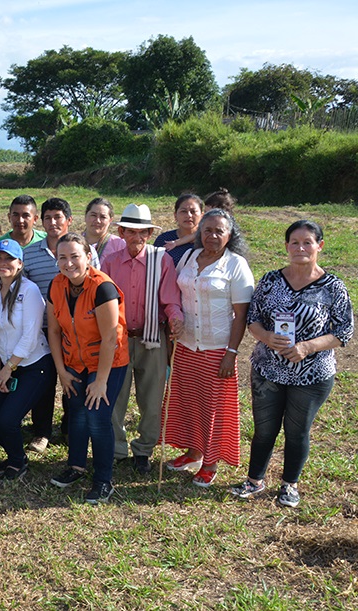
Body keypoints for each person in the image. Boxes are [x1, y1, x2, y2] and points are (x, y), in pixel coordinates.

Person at [232, 221, 353, 507]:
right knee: (264, 428)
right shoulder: (272, 280)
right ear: (286, 246)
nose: (300, 248)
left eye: (307, 242)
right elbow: (253, 319)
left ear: (319, 246)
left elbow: (344, 331)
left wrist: (307, 347)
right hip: (268, 370)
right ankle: (254, 480)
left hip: (312, 375)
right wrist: (266, 337)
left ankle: (289, 485)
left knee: (297, 430)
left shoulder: (333, 286)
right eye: (294, 242)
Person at [164, 209, 254, 487]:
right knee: (189, 402)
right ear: (199, 233)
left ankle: (211, 463)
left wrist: (232, 352)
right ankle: (193, 453)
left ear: (230, 235)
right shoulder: (190, 258)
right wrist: (175, 319)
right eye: (207, 230)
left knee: (212, 408)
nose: (213, 236)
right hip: (187, 345)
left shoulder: (236, 264)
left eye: (219, 231)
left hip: (217, 349)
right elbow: (175, 295)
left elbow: (241, 315)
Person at [101, 204, 183, 475]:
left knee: (152, 398)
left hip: (153, 338)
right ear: (122, 232)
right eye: (131, 232)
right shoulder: (111, 261)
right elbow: (102, 299)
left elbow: (170, 299)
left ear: (149, 233)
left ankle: (144, 450)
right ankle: (116, 449)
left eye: (143, 232)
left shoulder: (162, 260)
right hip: (120, 338)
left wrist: (175, 318)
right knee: (116, 397)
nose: (137, 238)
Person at [47, 233, 129, 504]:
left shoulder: (102, 287)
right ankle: (76, 466)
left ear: (88, 257)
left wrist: (101, 381)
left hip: (107, 362)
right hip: (74, 362)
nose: (69, 263)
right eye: (62, 257)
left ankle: (104, 481)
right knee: (77, 414)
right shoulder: (56, 286)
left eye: (75, 256)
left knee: (97, 417)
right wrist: (61, 371)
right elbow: (55, 332)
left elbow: (110, 338)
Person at [21, 198, 99, 453]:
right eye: (47, 218)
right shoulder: (30, 253)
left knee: (73, 380)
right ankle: (42, 432)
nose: (52, 222)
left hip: (76, 330)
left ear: (68, 220)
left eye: (58, 217)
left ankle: (69, 428)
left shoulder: (83, 250)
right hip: (42, 329)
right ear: (40, 221)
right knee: (44, 382)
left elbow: (94, 286)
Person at [0, 238, 54, 482]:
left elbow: (30, 336)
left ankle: (17, 461)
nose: (3, 263)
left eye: (9, 259)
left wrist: (8, 369)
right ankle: (15, 454)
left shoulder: (29, 291)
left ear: (20, 264)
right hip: (4, 366)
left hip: (33, 366)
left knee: (7, 419)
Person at [154, 194, 203, 266]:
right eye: (183, 211)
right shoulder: (164, 240)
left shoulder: (206, 240)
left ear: (202, 216)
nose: (189, 215)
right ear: (175, 215)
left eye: (193, 211)